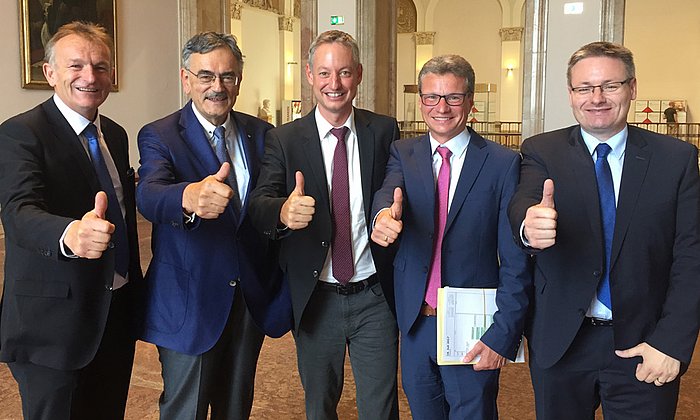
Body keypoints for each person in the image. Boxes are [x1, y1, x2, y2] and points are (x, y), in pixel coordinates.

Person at [508, 41, 700, 419]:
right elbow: (524, 202)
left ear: (632, 88)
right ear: (571, 94)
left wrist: (672, 343)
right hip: (562, 344)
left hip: (646, 344)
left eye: (610, 86)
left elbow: (692, 257)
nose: (596, 98)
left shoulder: (676, 159)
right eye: (584, 88)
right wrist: (529, 226)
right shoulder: (542, 150)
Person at [136, 32, 292, 420]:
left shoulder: (263, 134)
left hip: (248, 298)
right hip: (189, 302)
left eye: (227, 76)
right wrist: (187, 196)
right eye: (205, 76)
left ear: (239, 79)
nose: (216, 87)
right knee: (185, 410)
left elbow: (268, 203)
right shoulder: (160, 134)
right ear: (186, 79)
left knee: (235, 407)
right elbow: (150, 193)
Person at [248, 30, 400, 420]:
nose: (335, 84)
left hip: (375, 297)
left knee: (380, 408)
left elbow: (397, 188)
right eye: (325, 73)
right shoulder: (283, 139)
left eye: (345, 72)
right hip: (316, 298)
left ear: (359, 75)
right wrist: (283, 212)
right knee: (319, 406)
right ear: (310, 76)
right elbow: (259, 206)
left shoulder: (383, 131)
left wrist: (390, 214)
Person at [371, 54, 532, 419]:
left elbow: (515, 258)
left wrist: (504, 333)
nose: (441, 107)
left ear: (471, 102)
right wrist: (383, 214)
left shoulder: (502, 163)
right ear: (421, 101)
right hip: (416, 323)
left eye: (453, 97)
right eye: (431, 97)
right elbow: (388, 192)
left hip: (472, 326)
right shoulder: (403, 152)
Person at [0, 22, 142, 419]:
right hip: (52, 325)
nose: (89, 76)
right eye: (76, 65)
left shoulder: (114, 133)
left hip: (113, 311)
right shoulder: (20, 133)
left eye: (100, 66)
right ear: (49, 72)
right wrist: (69, 233)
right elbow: (18, 211)